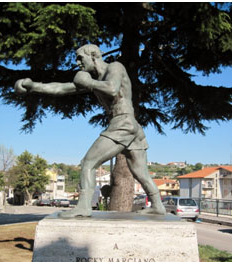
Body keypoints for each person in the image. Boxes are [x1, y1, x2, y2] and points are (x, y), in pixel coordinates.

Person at [15, 44, 166, 217]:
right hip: (130, 125)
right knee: (140, 171)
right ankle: (157, 205)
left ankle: (84, 207)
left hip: (123, 122)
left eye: (80, 57)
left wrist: (90, 83)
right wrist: (33, 86)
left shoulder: (115, 67)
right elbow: (62, 88)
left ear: (93, 55)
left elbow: (112, 88)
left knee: (88, 163)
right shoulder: (95, 80)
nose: (78, 62)